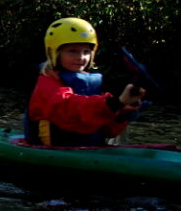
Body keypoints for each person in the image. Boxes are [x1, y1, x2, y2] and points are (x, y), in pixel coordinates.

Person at [25, 17, 145, 147]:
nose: (81, 57)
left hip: (88, 150)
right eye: (72, 51)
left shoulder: (90, 83)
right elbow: (71, 109)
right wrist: (115, 103)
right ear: (55, 52)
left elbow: (107, 131)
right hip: (52, 150)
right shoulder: (47, 83)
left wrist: (122, 113)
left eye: (86, 51)